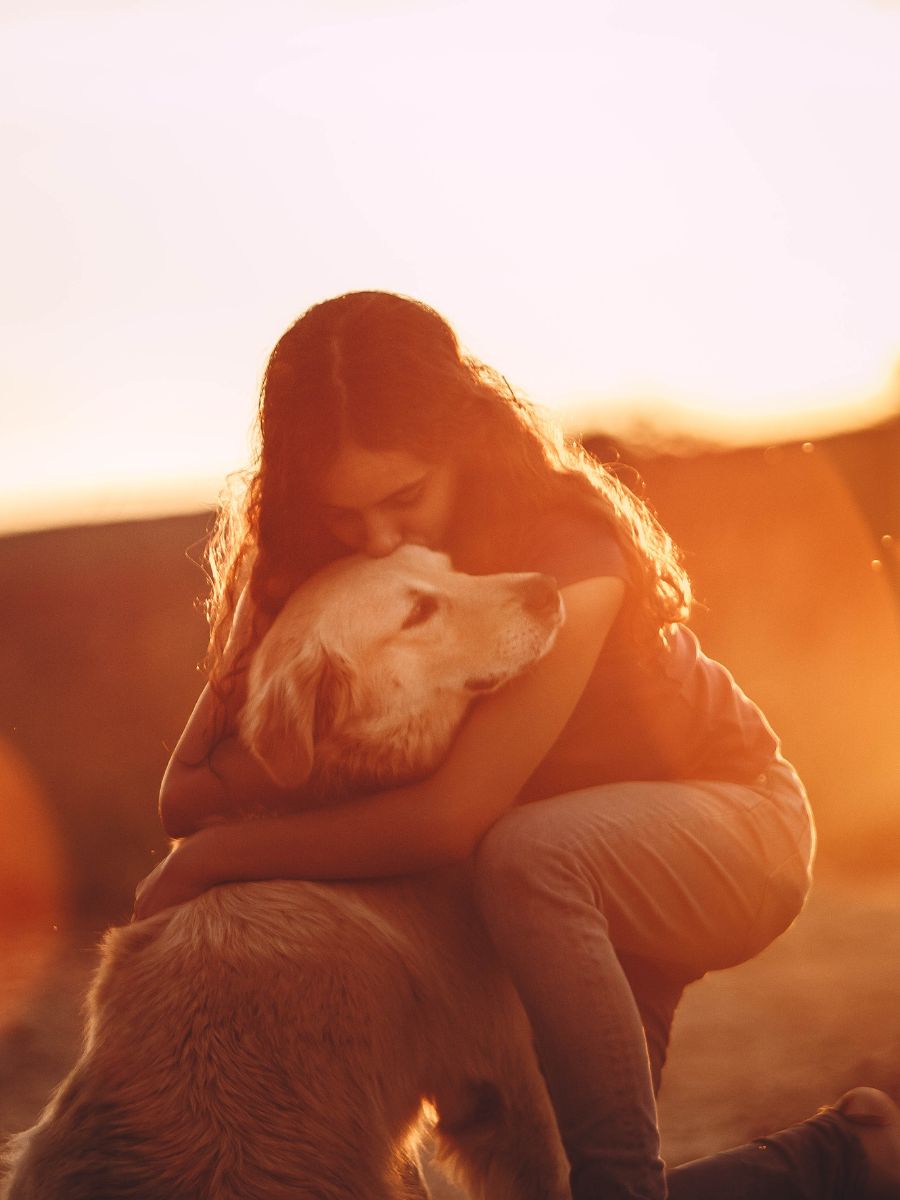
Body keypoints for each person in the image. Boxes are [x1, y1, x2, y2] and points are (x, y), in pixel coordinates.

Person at [133, 291, 900, 1199]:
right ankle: (847, 1157)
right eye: (344, 514)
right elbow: (182, 792)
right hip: (546, 887)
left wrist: (215, 858)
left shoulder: (566, 553)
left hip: (724, 823)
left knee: (525, 858)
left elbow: (453, 818)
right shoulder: (307, 575)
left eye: (404, 495)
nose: (378, 538)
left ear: (460, 440)